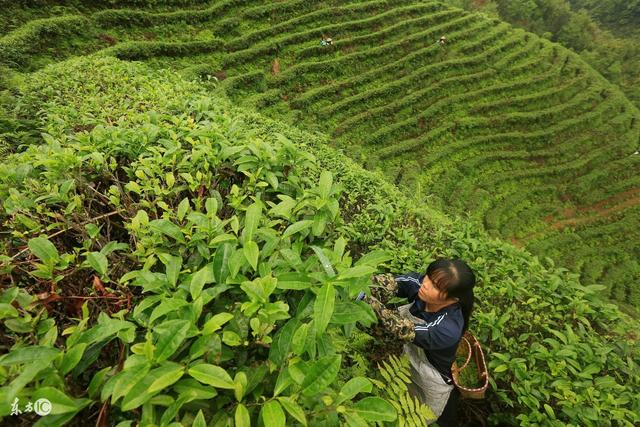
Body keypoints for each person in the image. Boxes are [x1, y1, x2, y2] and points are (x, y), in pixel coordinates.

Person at [362, 259, 476, 426]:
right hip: (411, 355)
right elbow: (394, 283)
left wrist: (367, 301)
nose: (426, 284)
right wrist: (362, 283)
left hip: (433, 374)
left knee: (421, 413)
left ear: (453, 299)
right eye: (429, 277)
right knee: (400, 393)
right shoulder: (422, 285)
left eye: (437, 287)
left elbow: (403, 329)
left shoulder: (448, 328)